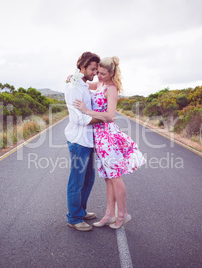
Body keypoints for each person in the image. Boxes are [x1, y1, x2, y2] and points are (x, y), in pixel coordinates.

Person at [73, 56, 146, 229]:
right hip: (99, 137)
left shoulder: (111, 88)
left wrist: (86, 110)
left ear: (111, 73)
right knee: (108, 178)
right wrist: (72, 77)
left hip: (107, 137)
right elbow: (83, 83)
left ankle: (122, 215)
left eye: (103, 73)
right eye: (97, 72)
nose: (98, 76)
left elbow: (110, 116)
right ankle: (109, 214)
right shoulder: (100, 84)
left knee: (115, 177)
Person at [64, 52, 114, 232]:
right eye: (92, 69)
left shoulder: (83, 85)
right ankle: (74, 218)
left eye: (97, 69)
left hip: (88, 140)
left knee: (88, 179)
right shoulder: (73, 89)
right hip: (78, 141)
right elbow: (79, 118)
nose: (95, 72)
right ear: (82, 67)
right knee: (76, 181)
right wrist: (104, 119)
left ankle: (80, 210)